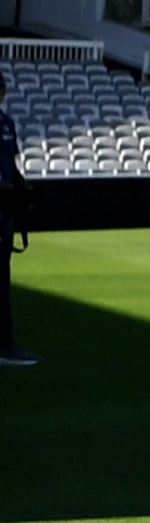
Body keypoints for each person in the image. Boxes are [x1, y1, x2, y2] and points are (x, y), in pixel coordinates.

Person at [0, 66, 32, 367]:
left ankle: (5, 342)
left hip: (5, 211)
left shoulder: (6, 123)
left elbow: (10, 164)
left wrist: (24, 188)